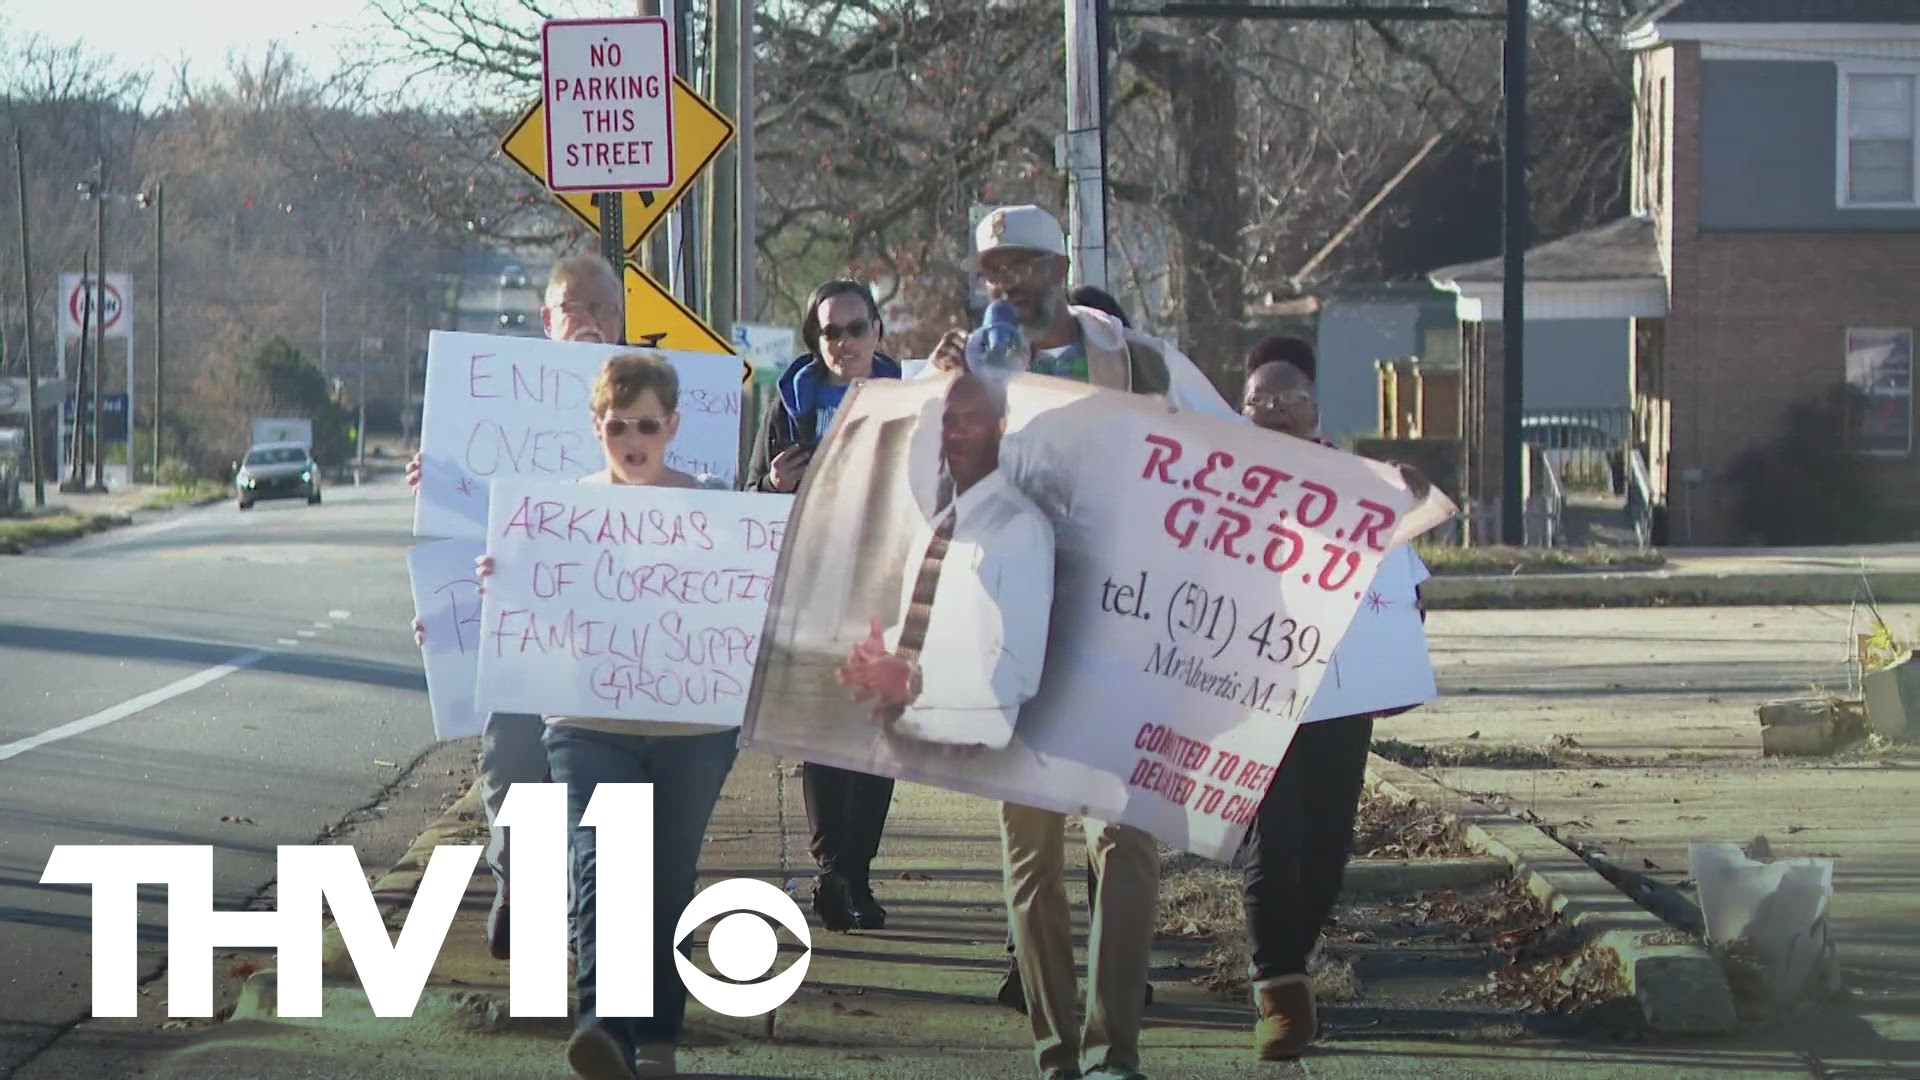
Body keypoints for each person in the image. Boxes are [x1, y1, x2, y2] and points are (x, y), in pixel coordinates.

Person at [933, 205, 1237, 1080]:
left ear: (1060, 266)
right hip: (1016, 634)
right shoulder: (964, 364)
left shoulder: (1137, 360)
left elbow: (1234, 450)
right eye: (994, 270)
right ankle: (1054, 1051)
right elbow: (918, 488)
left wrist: (1352, 484)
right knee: (1031, 853)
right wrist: (943, 397)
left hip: (1125, 629)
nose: (1007, 284)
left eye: (1024, 265)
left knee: (1128, 842)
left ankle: (1114, 1050)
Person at [477, 352, 733, 1080]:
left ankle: (656, 1039)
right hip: (589, 724)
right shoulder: (561, 513)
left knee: (666, 882)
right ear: (597, 426)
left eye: (647, 425)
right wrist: (501, 580)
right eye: (618, 426)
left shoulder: (715, 505)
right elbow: (528, 603)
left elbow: (749, 605)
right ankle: (602, 1026)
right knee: (599, 866)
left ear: (673, 425)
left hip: (694, 731)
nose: (633, 440)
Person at [405, 253, 627, 960]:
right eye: (576, 309)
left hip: (621, 625)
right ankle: (521, 889)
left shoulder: (657, 394)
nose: (591, 322)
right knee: (516, 764)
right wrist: (437, 482)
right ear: (547, 319)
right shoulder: (498, 403)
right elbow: (467, 516)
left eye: (604, 310)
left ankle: (593, 919)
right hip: (521, 624)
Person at [1236, 334, 1430, 1061]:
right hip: (1251, 689)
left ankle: (1291, 960)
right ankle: (1278, 992)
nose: (1274, 410)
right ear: (1241, 406)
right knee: (1272, 831)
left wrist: (1399, 657)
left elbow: (1404, 589)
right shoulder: (1218, 480)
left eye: (1288, 399)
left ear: (1314, 407)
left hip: (1339, 694)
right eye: (1260, 400)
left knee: (1327, 845)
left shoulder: (1363, 486)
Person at [745, 279, 907, 933]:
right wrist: (772, 484)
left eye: (855, 329)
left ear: (877, 332)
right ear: (816, 337)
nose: (843, 343)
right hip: (812, 585)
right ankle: (832, 871)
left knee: (878, 736)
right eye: (830, 331)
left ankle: (855, 873)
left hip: (887, 585)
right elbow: (749, 493)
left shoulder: (913, 397)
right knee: (822, 737)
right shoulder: (791, 402)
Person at [837, 372, 1054, 751]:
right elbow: (932, 629)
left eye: (973, 420)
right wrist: (881, 652)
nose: (958, 432)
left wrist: (913, 680)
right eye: (950, 420)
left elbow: (1019, 673)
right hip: (907, 735)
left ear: (1001, 427)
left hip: (971, 752)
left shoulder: (1021, 528)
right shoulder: (936, 527)